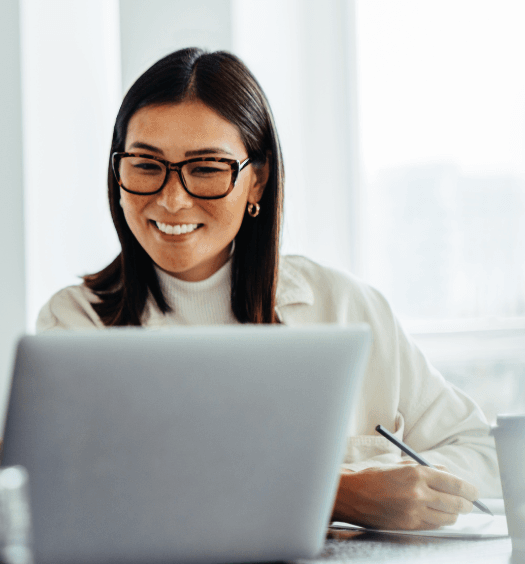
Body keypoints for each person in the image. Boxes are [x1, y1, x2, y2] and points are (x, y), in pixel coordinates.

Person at [37, 48, 497, 532]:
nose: (172, 199)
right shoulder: (75, 324)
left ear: (256, 182)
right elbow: (82, 494)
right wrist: (335, 494)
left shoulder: (344, 306)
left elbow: (484, 454)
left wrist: (405, 488)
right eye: (146, 165)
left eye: (207, 168)